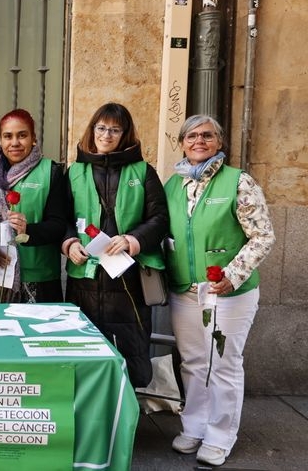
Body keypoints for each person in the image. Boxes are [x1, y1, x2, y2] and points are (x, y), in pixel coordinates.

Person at [165, 115, 274, 467]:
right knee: (194, 363)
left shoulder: (238, 182)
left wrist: (232, 274)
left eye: (207, 135)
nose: (200, 141)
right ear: (182, 142)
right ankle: (194, 426)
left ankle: (220, 435)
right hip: (185, 291)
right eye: (192, 135)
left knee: (224, 363)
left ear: (219, 142)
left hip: (229, 293)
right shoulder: (173, 185)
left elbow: (262, 236)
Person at [62, 102, 169, 389]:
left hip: (127, 282)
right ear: (92, 130)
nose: (106, 135)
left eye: (114, 130)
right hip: (84, 280)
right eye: (101, 128)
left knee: (129, 351)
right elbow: (62, 217)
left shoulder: (143, 172)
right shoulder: (75, 172)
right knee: (81, 352)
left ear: (125, 134)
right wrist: (69, 243)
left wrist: (133, 239)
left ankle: (128, 423)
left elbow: (160, 219)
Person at [0, 108, 68, 303]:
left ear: (33, 138)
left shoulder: (50, 171)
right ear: (0, 140)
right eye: (8, 136)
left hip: (38, 277)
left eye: (22, 135)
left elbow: (59, 224)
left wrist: (28, 231)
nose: (15, 143)